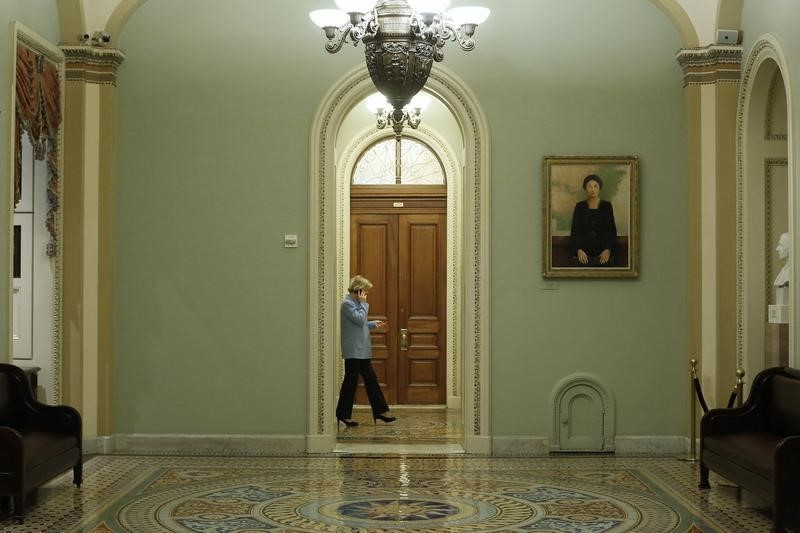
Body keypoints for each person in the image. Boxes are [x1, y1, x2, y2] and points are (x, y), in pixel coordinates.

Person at [336, 275, 396, 427]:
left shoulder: (356, 304)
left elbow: (360, 323)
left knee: (371, 380)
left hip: (361, 351)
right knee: (350, 382)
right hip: (354, 350)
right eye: (365, 292)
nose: (366, 295)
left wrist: (372, 324)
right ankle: (343, 414)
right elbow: (359, 319)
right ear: (359, 291)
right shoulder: (347, 304)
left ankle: (379, 411)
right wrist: (364, 304)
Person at [570, 174, 617, 266]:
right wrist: (578, 250)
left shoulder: (606, 206)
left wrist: (608, 250)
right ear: (585, 188)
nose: (592, 189)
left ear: (600, 188)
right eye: (589, 186)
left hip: (603, 253)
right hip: (583, 253)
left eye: (595, 186)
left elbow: (612, 230)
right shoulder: (580, 206)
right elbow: (575, 231)